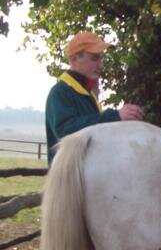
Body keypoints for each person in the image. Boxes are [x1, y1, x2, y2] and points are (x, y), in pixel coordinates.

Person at [45, 31, 144, 165]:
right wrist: (115, 116)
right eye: (94, 58)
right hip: (68, 174)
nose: (100, 65)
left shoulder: (86, 92)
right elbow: (65, 131)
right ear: (73, 59)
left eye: (101, 59)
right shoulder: (60, 92)